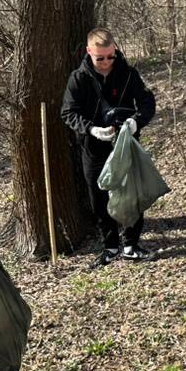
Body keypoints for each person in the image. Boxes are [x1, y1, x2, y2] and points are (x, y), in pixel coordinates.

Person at [61, 28, 157, 265]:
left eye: (110, 56)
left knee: (131, 192)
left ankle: (131, 245)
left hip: (126, 143)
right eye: (100, 58)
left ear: (115, 50)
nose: (106, 62)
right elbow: (68, 112)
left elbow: (147, 102)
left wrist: (135, 122)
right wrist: (91, 129)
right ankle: (111, 246)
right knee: (99, 197)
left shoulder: (128, 74)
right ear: (88, 52)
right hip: (93, 147)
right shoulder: (78, 78)